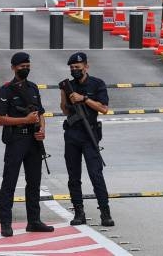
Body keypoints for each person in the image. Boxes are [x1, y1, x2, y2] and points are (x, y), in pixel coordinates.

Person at [0, 52, 55, 237]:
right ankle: (6, 223)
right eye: (22, 66)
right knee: (9, 182)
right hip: (16, 140)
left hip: (33, 142)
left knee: (34, 182)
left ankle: (34, 221)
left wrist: (41, 129)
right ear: (13, 68)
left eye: (28, 65)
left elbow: (40, 113)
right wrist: (25, 119)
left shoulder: (33, 88)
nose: (25, 69)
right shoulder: (6, 90)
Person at [60, 52, 113, 227]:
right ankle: (78, 212)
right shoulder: (68, 86)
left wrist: (84, 99)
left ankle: (105, 212)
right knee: (73, 176)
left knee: (96, 174)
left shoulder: (97, 84)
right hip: (73, 135)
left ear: (86, 67)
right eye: (72, 68)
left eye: (78, 67)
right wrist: (64, 94)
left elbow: (104, 109)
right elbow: (66, 112)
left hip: (90, 135)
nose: (75, 70)